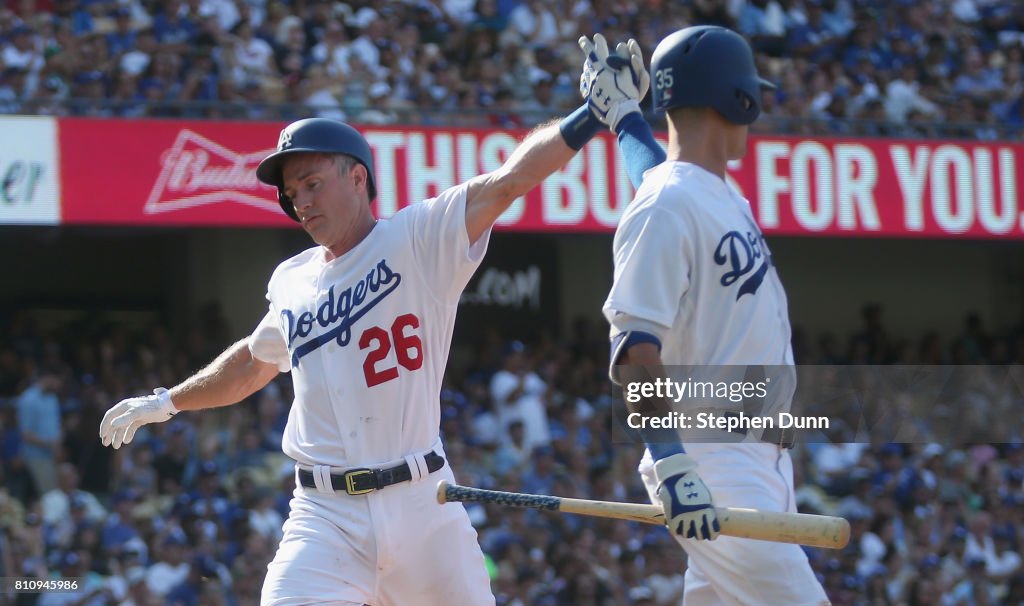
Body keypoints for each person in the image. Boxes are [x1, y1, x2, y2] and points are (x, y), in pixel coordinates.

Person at [98, 39, 647, 605]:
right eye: (291, 194)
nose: (300, 202)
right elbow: (253, 362)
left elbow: (507, 182)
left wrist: (589, 118)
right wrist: (167, 402)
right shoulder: (292, 279)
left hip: (422, 504)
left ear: (358, 178)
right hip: (323, 514)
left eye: (313, 184)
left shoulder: (417, 237)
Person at [589, 26, 831, 604]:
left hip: (756, 457)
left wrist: (624, 119)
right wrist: (671, 462)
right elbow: (637, 355)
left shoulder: (702, 194)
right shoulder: (667, 204)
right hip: (715, 461)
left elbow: (657, 181)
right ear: (739, 98)